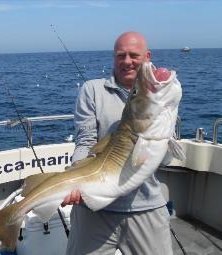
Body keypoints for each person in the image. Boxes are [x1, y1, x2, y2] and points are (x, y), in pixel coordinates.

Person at [63, 32, 173, 255]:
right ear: (114, 57)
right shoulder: (92, 90)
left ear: (147, 57)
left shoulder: (161, 97)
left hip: (146, 205)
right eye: (120, 55)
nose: (127, 61)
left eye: (134, 55)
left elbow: (168, 156)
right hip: (94, 207)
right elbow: (85, 141)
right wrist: (76, 177)